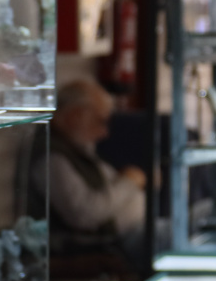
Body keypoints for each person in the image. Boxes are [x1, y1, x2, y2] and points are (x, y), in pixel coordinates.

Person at [38, 80, 146, 252]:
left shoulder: (79, 149)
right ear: (74, 117)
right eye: (100, 121)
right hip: (115, 244)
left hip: (137, 230)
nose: (105, 132)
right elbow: (85, 214)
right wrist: (129, 182)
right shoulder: (54, 159)